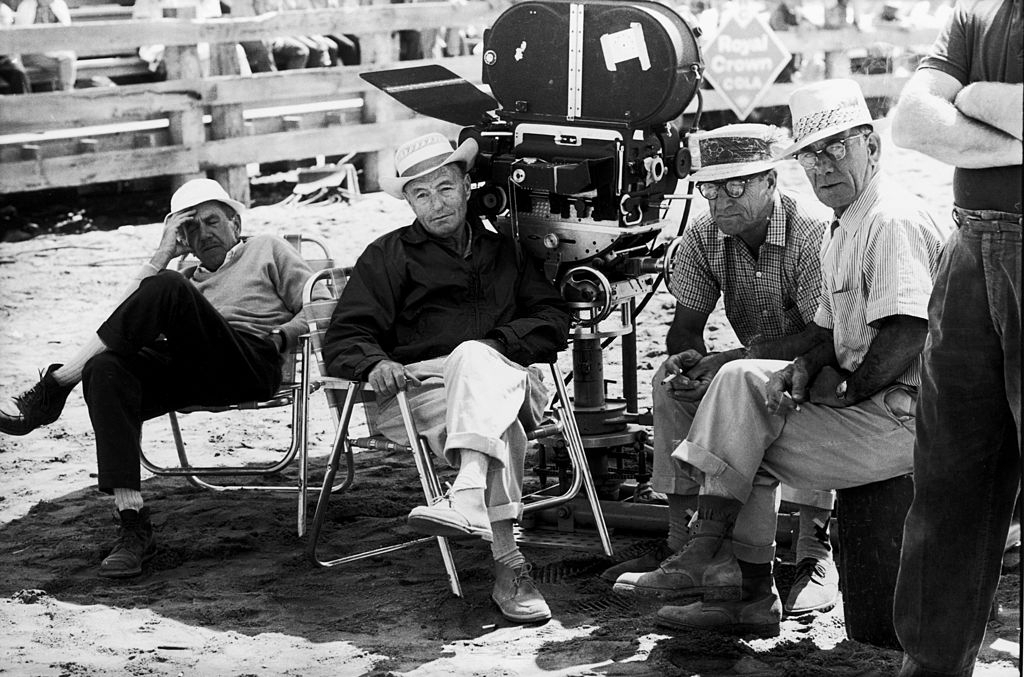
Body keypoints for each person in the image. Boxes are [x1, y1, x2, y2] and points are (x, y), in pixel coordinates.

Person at [625, 79, 949, 638]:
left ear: (872, 147)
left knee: (743, 420)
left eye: (837, 148)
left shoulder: (887, 219)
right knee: (739, 398)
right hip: (879, 408)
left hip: (904, 421)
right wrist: (804, 367)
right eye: (811, 155)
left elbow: (906, 335)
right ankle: (734, 582)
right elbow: (826, 332)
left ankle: (734, 574)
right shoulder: (848, 223)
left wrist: (841, 387)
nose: (823, 166)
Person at [0, 178, 315, 579]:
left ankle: (56, 385)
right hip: (191, 369)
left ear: (235, 222)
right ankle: (133, 523)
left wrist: (282, 336)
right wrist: (162, 254)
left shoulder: (265, 247)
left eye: (213, 221)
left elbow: (322, 302)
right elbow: (118, 322)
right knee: (105, 367)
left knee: (167, 286)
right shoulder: (183, 272)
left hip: (249, 361)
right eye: (190, 229)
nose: (204, 234)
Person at [321, 132, 571, 624]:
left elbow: (551, 317)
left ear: (466, 185)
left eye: (445, 188)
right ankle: (508, 565)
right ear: (409, 201)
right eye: (421, 194)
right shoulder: (388, 256)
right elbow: (346, 333)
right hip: (422, 392)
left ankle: (469, 488)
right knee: (503, 428)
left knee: (475, 359)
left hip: (509, 377)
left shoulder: (507, 252)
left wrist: (494, 348)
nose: (435, 204)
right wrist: (375, 363)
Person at [604, 123, 841, 618]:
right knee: (668, 386)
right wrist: (688, 360)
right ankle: (686, 540)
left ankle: (814, 553)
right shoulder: (702, 238)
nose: (722, 201)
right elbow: (685, 327)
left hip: (817, 363)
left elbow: (822, 338)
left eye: (737, 185)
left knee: (813, 386)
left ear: (771, 181)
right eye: (711, 189)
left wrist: (730, 361)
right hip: (751, 368)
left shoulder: (812, 234)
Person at [889, 2, 1022, 675]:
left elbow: (947, 109)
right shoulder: (975, 14)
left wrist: (971, 97)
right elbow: (911, 120)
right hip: (971, 246)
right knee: (949, 474)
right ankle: (933, 660)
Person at [14, 0, 75, 91]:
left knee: (67, 59)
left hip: (55, 50)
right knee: (65, 66)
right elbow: (21, 37)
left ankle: (66, 91)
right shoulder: (26, 6)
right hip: (32, 52)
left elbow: (66, 32)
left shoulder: (59, 5)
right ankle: (66, 92)